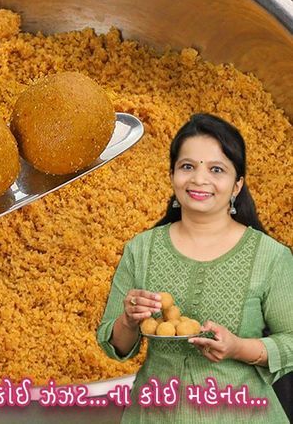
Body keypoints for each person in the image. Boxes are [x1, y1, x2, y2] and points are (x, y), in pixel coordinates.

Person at [97, 113, 293, 422]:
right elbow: (114, 346)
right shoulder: (141, 249)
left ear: (237, 184)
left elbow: (291, 342)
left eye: (217, 169)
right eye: (187, 166)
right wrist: (129, 320)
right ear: (172, 174)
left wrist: (238, 348)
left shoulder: (270, 256)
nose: (199, 180)